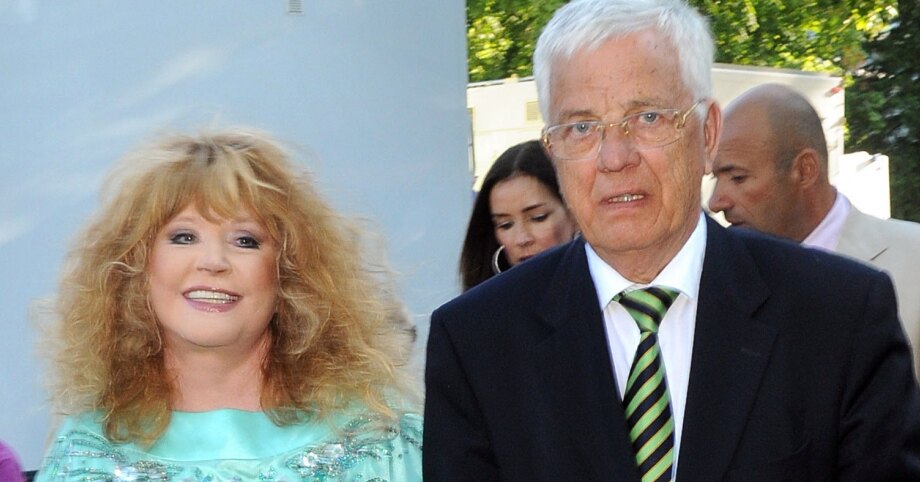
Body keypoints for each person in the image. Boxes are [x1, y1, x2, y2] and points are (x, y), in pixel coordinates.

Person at [423, 0, 920, 480]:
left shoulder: (840, 315)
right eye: (582, 127)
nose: (614, 158)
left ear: (708, 134)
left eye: (648, 118)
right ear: (553, 151)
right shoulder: (476, 343)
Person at [34, 128, 422, 481]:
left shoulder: (376, 438)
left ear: (289, 272)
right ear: (135, 265)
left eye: (245, 240)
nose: (213, 261)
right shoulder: (85, 454)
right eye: (184, 237)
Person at [708, 82, 920, 373]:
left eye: (738, 178)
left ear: (805, 170)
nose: (716, 202)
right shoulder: (720, 281)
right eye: (715, 179)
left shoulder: (913, 260)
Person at [460, 139, 578, 291]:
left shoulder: (605, 293)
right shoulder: (482, 303)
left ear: (575, 214)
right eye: (505, 225)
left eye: (538, 218)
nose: (522, 239)